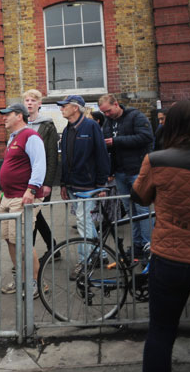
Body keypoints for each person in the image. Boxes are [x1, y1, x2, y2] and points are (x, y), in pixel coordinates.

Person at [131, 99, 190, 372]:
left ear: (172, 125)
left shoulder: (158, 160)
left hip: (171, 259)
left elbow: (140, 195)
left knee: (161, 333)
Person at [0, 104, 46, 295]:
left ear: (19, 116)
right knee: (10, 240)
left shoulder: (30, 136)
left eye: (7, 115)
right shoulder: (13, 138)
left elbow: (39, 164)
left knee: (23, 241)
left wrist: (32, 190)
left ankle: (34, 283)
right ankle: (20, 279)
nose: (3, 118)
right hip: (9, 196)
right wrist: (3, 191)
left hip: (22, 197)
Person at [58, 95, 110, 274]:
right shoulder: (67, 130)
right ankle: (101, 254)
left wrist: (101, 183)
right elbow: (65, 158)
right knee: (85, 222)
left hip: (88, 186)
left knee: (83, 221)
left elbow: (102, 154)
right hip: (72, 185)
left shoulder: (91, 126)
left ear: (75, 108)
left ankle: (85, 262)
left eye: (64, 106)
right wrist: (63, 183)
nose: (61, 109)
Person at [99, 94, 154, 259]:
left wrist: (116, 141)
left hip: (138, 170)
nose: (106, 115)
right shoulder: (108, 122)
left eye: (108, 111)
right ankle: (137, 245)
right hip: (120, 172)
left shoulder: (136, 116)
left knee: (143, 210)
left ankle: (148, 247)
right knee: (131, 211)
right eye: (104, 113)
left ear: (116, 104)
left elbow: (146, 137)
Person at [23, 89, 59, 261]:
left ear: (39, 104)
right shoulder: (21, 124)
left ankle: (30, 257)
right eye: (27, 100)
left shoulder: (47, 126)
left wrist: (48, 183)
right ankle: (54, 248)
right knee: (36, 215)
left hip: (41, 180)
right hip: (24, 179)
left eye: (33, 100)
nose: (29, 103)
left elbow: (52, 156)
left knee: (33, 216)